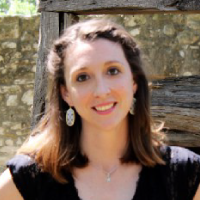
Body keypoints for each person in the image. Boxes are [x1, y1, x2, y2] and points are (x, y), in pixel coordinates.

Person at [0, 18, 200, 200]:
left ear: (134, 82)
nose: (101, 90)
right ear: (65, 93)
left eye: (113, 71)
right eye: (83, 77)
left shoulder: (185, 174)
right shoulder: (29, 179)